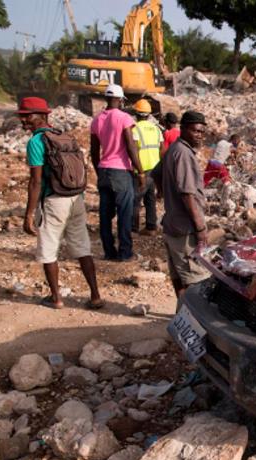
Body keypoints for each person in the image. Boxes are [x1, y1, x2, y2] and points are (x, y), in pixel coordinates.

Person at [19, 97, 104, 310]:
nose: (23, 120)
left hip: (53, 201)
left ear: (42, 116)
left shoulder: (36, 142)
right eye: (22, 116)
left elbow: (35, 181)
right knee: (82, 248)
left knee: (48, 250)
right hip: (76, 199)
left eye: (28, 116)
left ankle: (56, 298)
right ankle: (95, 295)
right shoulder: (65, 136)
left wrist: (28, 214)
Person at [152, 111, 211, 299]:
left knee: (178, 274)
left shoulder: (174, 149)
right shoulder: (184, 153)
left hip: (172, 223)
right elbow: (187, 195)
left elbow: (156, 173)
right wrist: (200, 227)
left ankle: (182, 310)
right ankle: (191, 313)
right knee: (196, 278)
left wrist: (165, 193)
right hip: (186, 228)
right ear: (183, 129)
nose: (199, 135)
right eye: (195, 131)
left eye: (202, 132)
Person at [90, 84, 143, 261]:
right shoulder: (124, 118)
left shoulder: (96, 120)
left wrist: (99, 171)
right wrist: (140, 171)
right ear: (120, 100)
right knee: (124, 213)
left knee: (105, 215)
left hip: (104, 170)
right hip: (121, 171)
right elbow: (130, 146)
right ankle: (125, 253)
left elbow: (94, 151)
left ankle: (109, 252)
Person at [131, 99, 164, 235]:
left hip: (141, 169)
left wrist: (137, 170)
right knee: (150, 198)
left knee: (135, 199)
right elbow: (162, 150)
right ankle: (151, 227)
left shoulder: (135, 129)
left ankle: (133, 228)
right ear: (149, 114)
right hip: (154, 169)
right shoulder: (156, 129)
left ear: (136, 114)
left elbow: (132, 150)